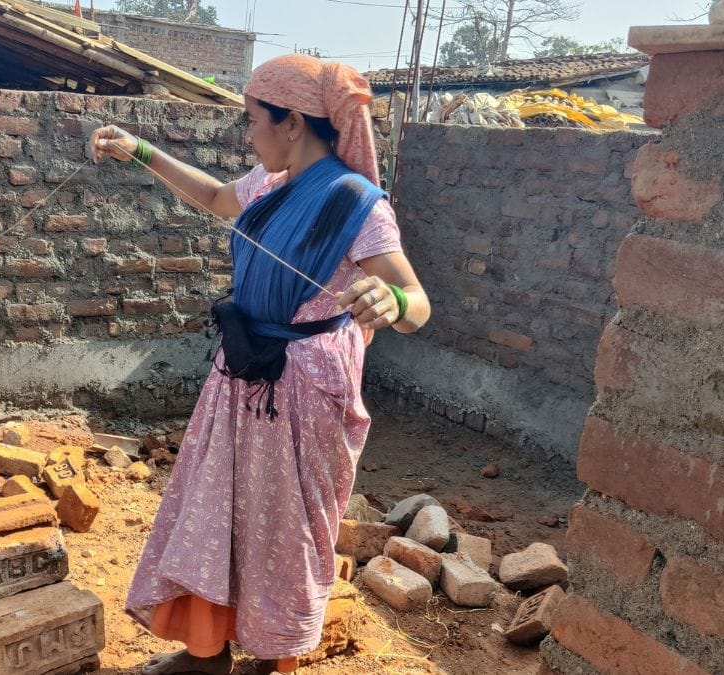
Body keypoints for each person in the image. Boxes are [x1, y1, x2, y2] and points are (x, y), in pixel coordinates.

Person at [91, 54, 431, 674]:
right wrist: (141, 152)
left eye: (253, 121)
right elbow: (219, 197)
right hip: (243, 369)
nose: (249, 134)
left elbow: (418, 306)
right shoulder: (270, 185)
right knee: (215, 508)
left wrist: (394, 298)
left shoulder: (356, 204)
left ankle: (277, 656)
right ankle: (206, 651)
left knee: (284, 528)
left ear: (293, 122)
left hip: (304, 386)